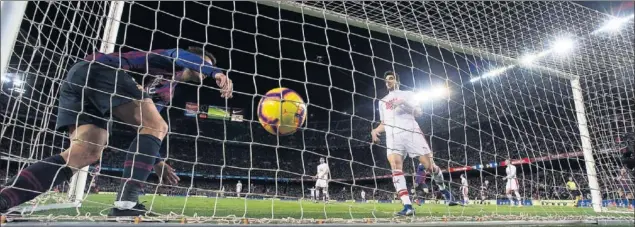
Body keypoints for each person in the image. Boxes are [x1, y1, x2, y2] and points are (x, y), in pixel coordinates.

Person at [0, 47, 233, 215]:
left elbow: (146, 128)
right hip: (100, 69)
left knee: (85, 153)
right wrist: (217, 72)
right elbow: (180, 56)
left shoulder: (166, 91)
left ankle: (7, 196)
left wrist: (158, 162)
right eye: (204, 64)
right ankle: (126, 203)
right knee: (157, 125)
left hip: (80, 81)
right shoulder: (168, 58)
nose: (206, 70)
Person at [371, 71, 457, 216]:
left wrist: (403, 103)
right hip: (393, 136)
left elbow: (418, 112)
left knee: (430, 166)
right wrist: (375, 131)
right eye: (386, 80)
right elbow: (384, 123)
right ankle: (407, 206)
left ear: (397, 80)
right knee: (395, 168)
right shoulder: (382, 102)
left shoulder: (408, 94)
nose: (388, 82)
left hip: (410, 131)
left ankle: (444, 191)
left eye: (391, 79)